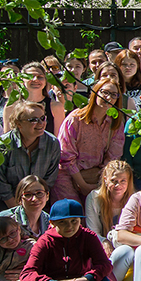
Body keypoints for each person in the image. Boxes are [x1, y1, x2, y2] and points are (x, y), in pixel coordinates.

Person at [56, 70, 127, 204]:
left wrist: (97, 178)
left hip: (96, 176)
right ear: (95, 92)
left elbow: (113, 157)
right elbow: (65, 155)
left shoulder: (115, 124)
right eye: (104, 92)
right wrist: (82, 184)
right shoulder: (75, 119)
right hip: (69, 177)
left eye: (113, 95)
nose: (109, 97)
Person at [0, 101, 61, 210]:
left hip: (38, 199)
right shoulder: (3, 145)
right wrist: (18, 209)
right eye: (33, 120)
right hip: (6, 200)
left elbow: (49, 179)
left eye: (42, 118)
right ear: (19, 123)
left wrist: (36, 202)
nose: (40, 123)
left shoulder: (52, 143)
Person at [84, 158, 134, 246]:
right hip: (101, 244)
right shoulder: (94, 198)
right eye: (114, 181)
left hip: (127, 245)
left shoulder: (135, 199)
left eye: (123, 181)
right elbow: (93, 231)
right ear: (105, 180)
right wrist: (104, 242)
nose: (118, 185)